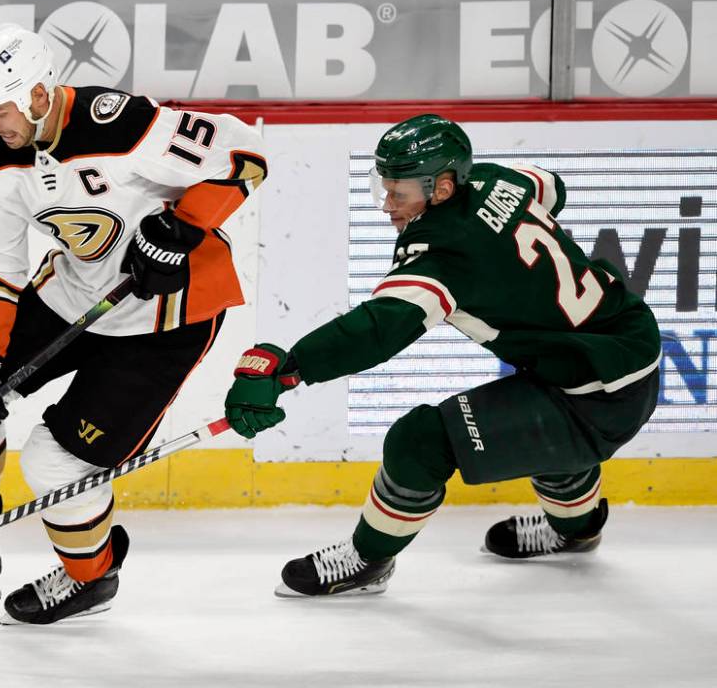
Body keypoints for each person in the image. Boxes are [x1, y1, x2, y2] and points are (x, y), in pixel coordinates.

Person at [0, 23, 269, 626]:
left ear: (39, 95)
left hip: (165, 317)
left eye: (0, 112)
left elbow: (245, 155)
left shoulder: (118, 123)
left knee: (55, 463)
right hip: (71, 296)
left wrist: (179, 230)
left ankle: (88, 578)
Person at [223, 113, 660, 597]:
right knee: (536, 424)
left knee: (420, 441)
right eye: (385, 188)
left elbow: (377, 329)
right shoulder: (497, 178)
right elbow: (552, 187)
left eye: (400, 193)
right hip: (622, 345)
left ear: (444, 187)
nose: (388, 205)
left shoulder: (441, 256)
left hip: (597, 389)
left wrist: (292, 367)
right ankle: (578, 531)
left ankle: (368, 560)